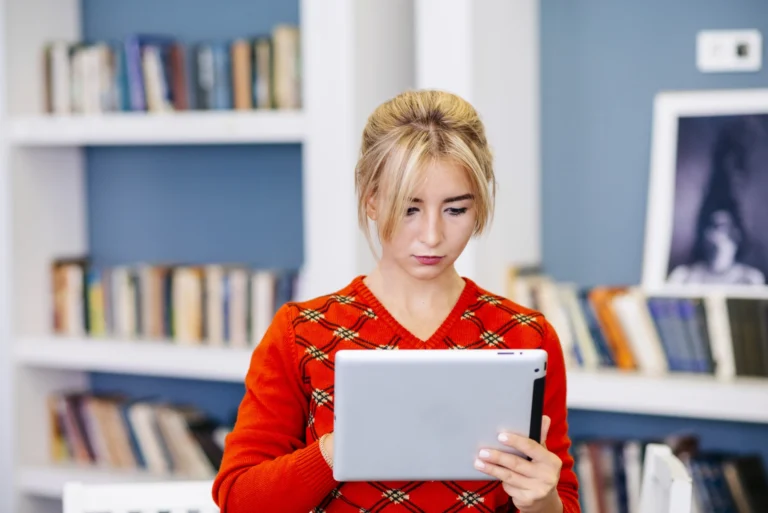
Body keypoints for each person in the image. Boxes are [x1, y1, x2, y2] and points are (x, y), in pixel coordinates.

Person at [212, 90, 580, 512]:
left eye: (455, 210)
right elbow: (239, 499)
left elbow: (562, 499)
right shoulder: (302, 331)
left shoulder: (526, 336)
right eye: (409, 209)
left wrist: (541, 499)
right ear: (371, 199)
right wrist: (335, 451)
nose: (432, 236)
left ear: (478, 207)